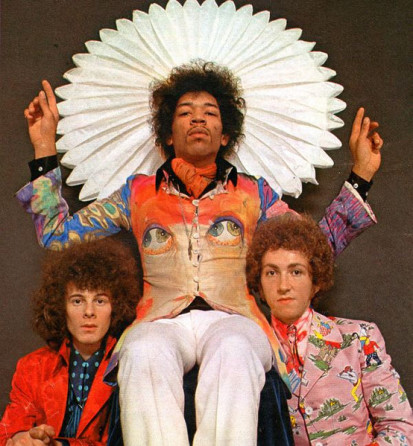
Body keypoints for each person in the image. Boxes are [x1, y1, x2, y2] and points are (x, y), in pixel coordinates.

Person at [17, 61, 382, 445]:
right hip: (160, 320)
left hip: (235, 318)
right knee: (140, 352)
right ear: (167, 133)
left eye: (210, 113)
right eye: (185, 113)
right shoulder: (137, 193)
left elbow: (314, 248)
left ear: (225, 135)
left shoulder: (253, 193)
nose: (197, 120)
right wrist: (44, 147)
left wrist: (361, 175)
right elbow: (58, 235)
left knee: (234, 347)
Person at [246, 213, 413, 445]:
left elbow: (400, 428)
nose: (283, 286)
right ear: (259, 284)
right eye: (271, 273)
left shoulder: (359, 338)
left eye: (296, 272)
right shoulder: (248, 348)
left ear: (315, 282)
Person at [0, 239, 139, 446]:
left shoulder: (128, 367)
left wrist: (61, 445)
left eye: (100, 300)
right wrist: (20, 438)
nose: (89, 312)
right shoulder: (32, 367)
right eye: (77, 301)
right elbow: (9, 430)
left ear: (116, 307)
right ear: (60, 307)